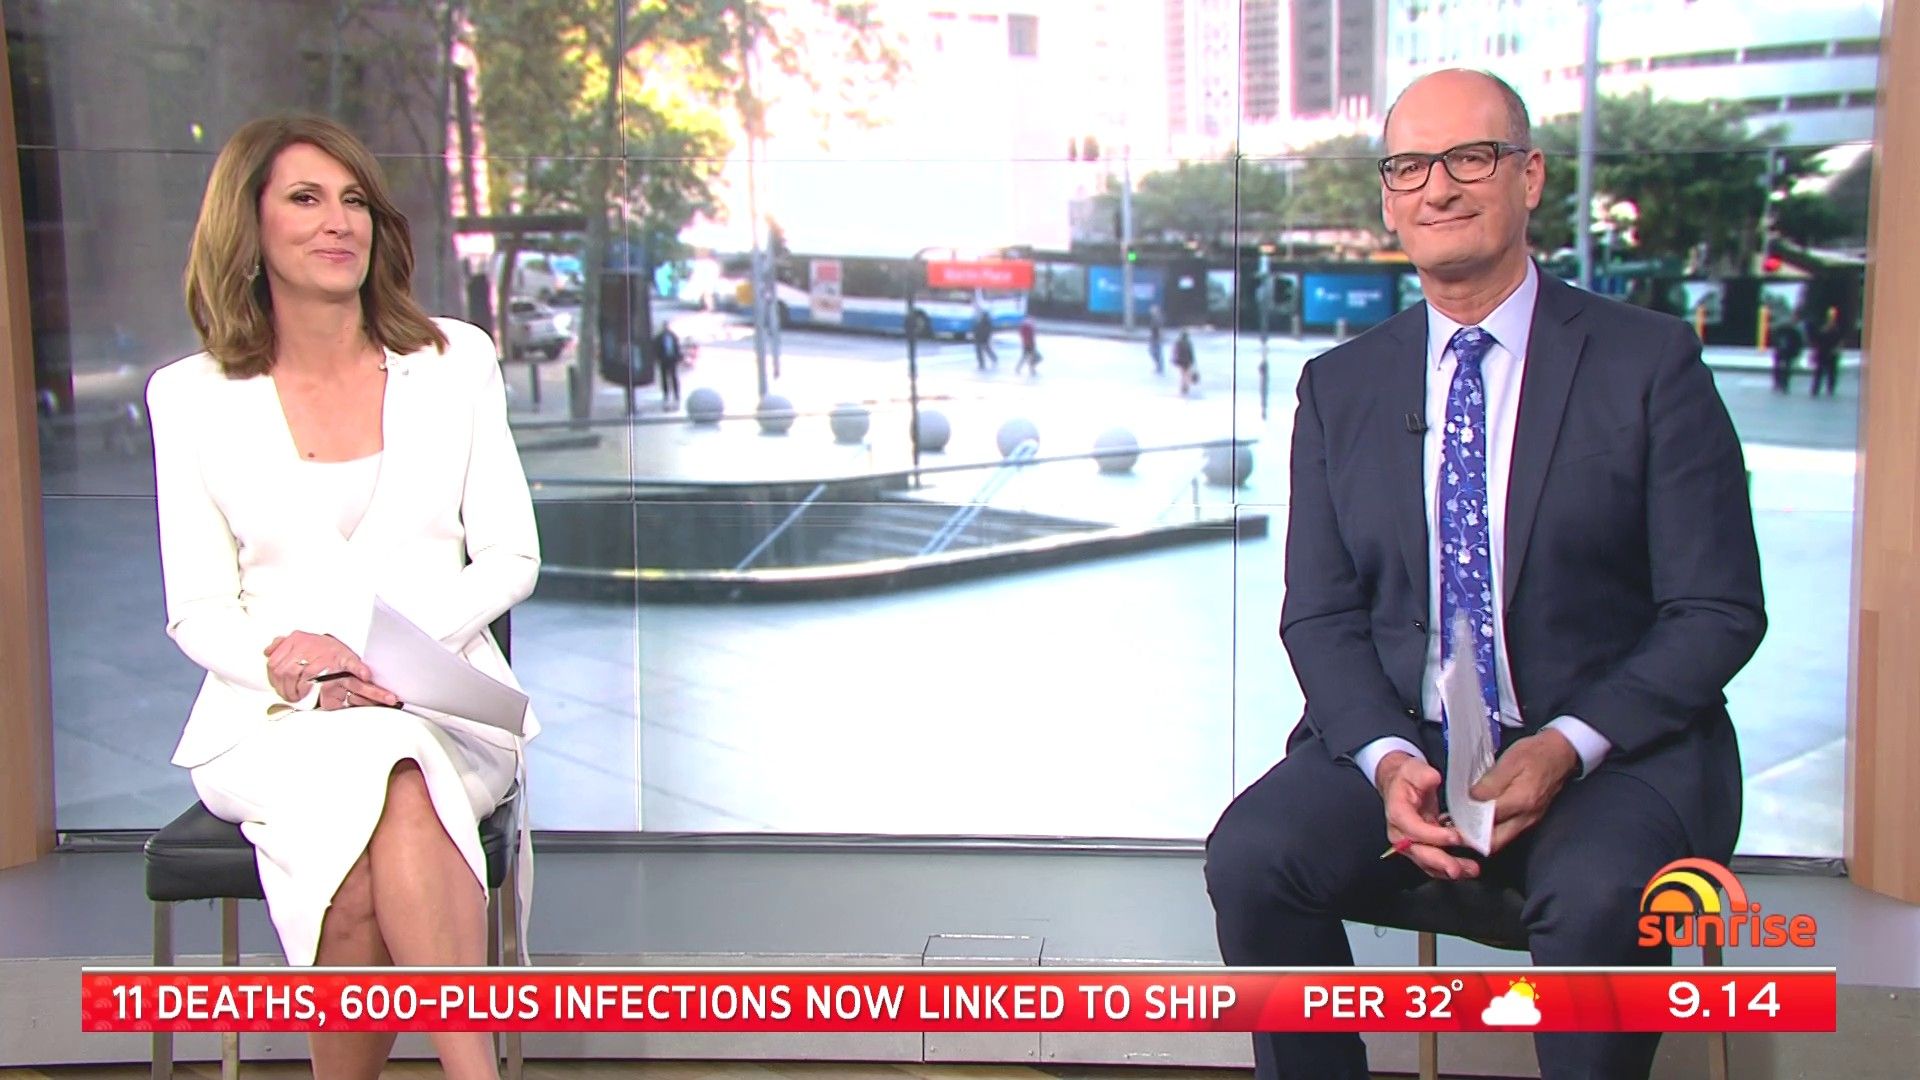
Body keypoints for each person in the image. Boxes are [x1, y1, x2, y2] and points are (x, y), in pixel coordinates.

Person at [1203, 70, 1764, 1080]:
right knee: (1252, 856)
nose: (1439, 187)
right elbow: (1320, 614)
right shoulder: (1340, 387)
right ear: (1388, 197)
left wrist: (1564, 746)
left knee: (1599, 898)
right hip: (1412, 741)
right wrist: (1386, 760)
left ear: (1529, 177)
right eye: (1409, 166)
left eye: (1470, 158)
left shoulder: (1650, 363)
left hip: (1613, 751)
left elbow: (1715, 608)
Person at [146, 115, 541, 1080]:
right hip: (272, 718)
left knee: (386, 771)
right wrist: (292, 670)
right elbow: (198, 606)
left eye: (354, 199)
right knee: (378, 777)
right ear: (249, 227)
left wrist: (381, 655)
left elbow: (510, 557)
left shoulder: (456, 360)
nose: (339, 221)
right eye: (306, 198)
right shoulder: (189, 397)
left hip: (438, 701)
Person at [655, 320, 684, 409]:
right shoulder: (659, 337)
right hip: (663, 360)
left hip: (672, 360)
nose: (666, 328)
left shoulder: (673, 336)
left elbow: (677, 347)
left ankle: (676, 394)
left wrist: (679, 357)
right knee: (664, 378)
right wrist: (658, 358)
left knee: (674, 377)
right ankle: (666, 395)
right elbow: (656, 349)